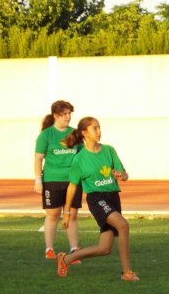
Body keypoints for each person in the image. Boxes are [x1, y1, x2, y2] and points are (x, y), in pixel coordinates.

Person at [55, 116, 139, 281]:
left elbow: (125, 174)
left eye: (99, 127)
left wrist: (120, 175)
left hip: (113, 197)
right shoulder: (79, 159)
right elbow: (72, 186)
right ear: (84, 133)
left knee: (104, 248)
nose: (99, 132)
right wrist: (66, 213)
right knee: (123, 225)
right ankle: (127, 272)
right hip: (96, 198)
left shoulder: (109, 150)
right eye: (95, 128)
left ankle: (66, 259)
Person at [34, 100, 83, 261]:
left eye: (69, 113)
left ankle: (74, 250)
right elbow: (38, 158)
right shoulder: (46, 135)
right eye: (64, 114)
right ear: (56, 115)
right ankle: (49, 249)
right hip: (52, 180)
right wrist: (38, 180)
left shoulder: (75, 133)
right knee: (53, 214)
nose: (68, 117)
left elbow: (83, 155)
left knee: (72, 214)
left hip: (73, 181)